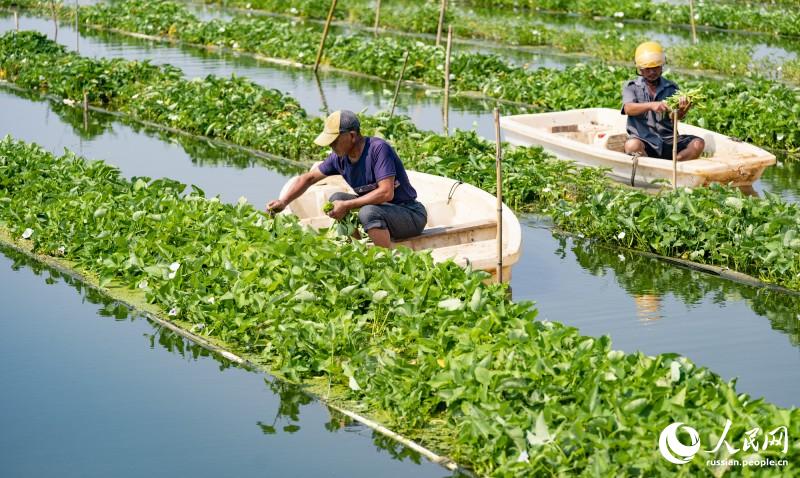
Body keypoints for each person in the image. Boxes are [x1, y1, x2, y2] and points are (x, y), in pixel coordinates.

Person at [266, 110, 427, 248]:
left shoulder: (378, 149)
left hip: (409, 214)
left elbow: (386, 193)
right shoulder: (339, 158)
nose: (331, 146)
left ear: (352, 136)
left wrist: (347, 205)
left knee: (367, 212)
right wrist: (283, 202)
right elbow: (308, 178)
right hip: (382, 211)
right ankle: (357, 249)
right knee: (337, 198)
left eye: (335, 141)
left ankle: (383, 260)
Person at [622, 41, 705, 161]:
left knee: (698, 144)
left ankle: (674, 162)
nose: (652, 72)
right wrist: (651, 105)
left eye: (656, 68)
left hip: (668, 140)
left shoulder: (671, 88)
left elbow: (674, 117)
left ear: (662, 66)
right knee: (632, 146)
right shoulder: (631, 87)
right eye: (647, 69)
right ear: (640, 69)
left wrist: (681, 111)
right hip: (644, 140)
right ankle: (651, 165)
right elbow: (628, 108)